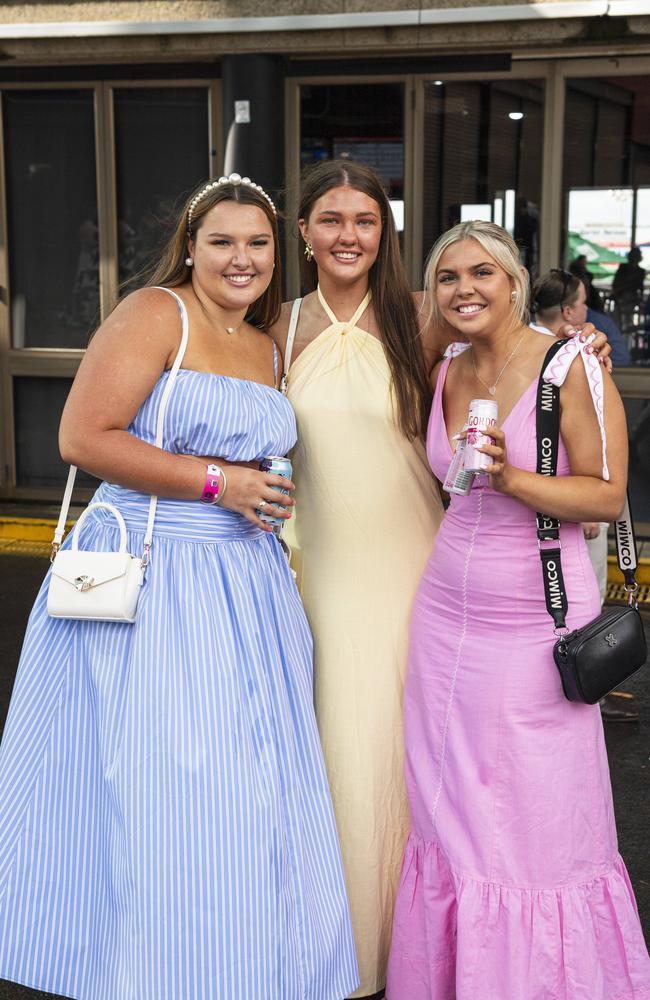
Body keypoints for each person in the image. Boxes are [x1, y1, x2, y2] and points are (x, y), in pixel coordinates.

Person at [0, 174, 359, 1000]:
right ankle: (150, 969)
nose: (242, 259)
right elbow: (82, 437)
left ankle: (242, 966)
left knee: (249, 790)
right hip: (155, 582)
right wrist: (216, 483)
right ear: (190, 247)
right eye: (222, 242)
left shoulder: (269, 342)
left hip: (247, 584)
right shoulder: (158, 313)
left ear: (281, 251)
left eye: (259, 243)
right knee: (168, 788)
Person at [270, 160, 613, 1000]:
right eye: (330, 219)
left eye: (365, 219)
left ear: (382, 232)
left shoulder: (417, 320)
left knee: (447, 769)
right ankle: (355, 947)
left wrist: (582, 349)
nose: (348, 234)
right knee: (357, 751)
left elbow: (509, 364)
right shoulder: (273, 330)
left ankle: (472, 951)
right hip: (336, 569)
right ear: (305, 232)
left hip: (431, 563)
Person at [386, 221, 650, 999]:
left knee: (535, 822)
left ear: (514, 280)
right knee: (449, 813)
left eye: (482, 273)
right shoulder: (444, 368)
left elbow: (604, 496)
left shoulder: (569, 366)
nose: (465, 289)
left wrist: (513, 481)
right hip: (443, 623)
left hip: (536, 623)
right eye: (447, 278)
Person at [531, 268, 638, 723]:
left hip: (566, 506)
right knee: (582, 610)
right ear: (571, 310)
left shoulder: (565, 351)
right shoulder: (561, 358)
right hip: (568, 513)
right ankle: (591, 681)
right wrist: (584, 501)